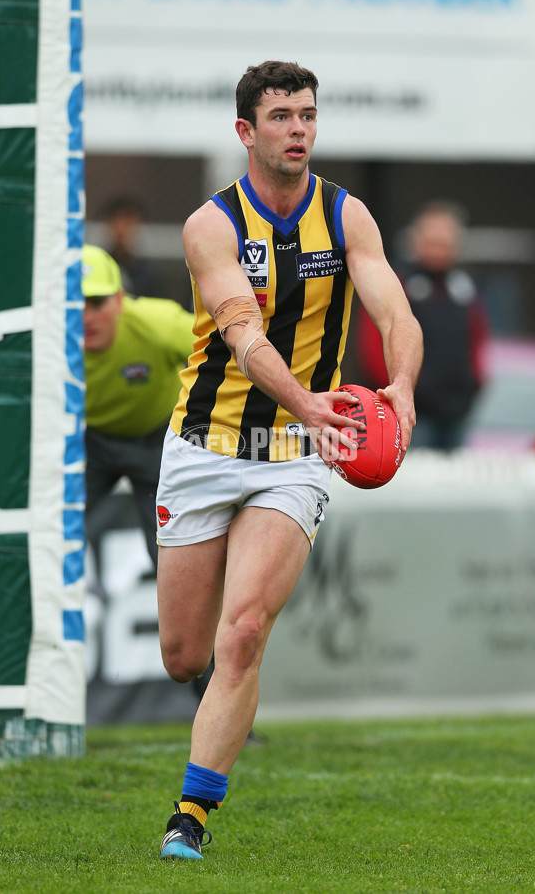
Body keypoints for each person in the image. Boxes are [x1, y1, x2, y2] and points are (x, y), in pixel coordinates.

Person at [155, 60, 423, 861]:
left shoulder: (347, 216)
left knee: (243, 632)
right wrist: (310, 400)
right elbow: (243, 334)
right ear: (246, 131)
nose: (298, 129)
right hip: (204, 447)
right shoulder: (211, 225)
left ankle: (190, 819)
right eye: (280, 117)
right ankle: (201, 741)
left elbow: (393, 307)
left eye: (308, 114)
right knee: (184, 655)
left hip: (295, 457)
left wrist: (401, 385)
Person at [83, 242, 194, 574]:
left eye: (97, 302)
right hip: (89, 443)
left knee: (170, 550)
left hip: (157, 440)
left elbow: (226, 352)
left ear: (120, 300)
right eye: (73, 304)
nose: (85, 316)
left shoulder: (158, 324)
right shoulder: (44, 341)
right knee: (51, 534)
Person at [357, 201, 489, 451]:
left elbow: (479, 340)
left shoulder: (464, 288)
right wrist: (395, 390)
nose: (439, 250)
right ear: (415, 242)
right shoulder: (396, 283)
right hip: (410, 411)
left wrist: (474, 383)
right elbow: (373, 343)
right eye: (432, 242)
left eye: (445, 243)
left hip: (457, 410)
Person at [100, 196, 163, 299]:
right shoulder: (99, 267)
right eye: (115, 220)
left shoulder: (148, 275)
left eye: (127, 221)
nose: (120, 228)